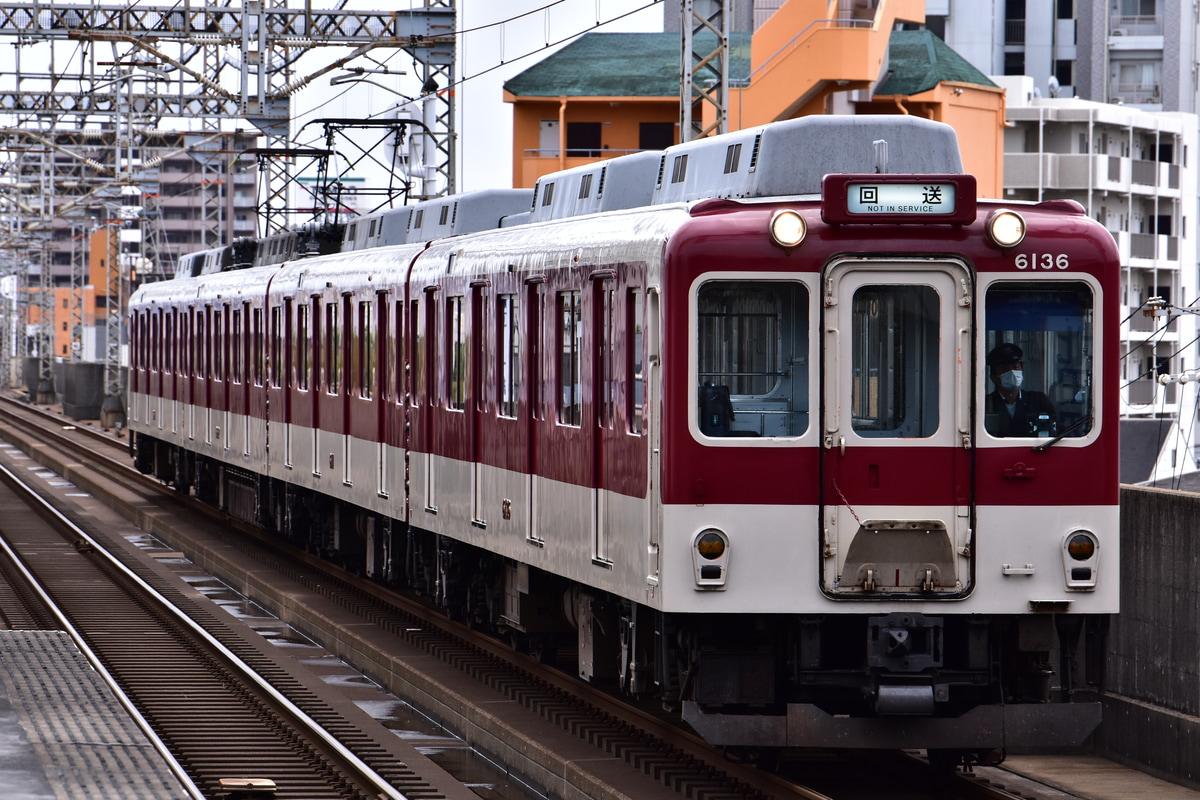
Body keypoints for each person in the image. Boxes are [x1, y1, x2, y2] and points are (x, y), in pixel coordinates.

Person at [985, 342, 1057, 437]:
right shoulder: (987, 404)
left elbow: (1057, 429)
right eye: (1004, 369)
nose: (1012, 373)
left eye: (1015, 367)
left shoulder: (1039, 400)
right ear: (993, 378)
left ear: (1022, 371)